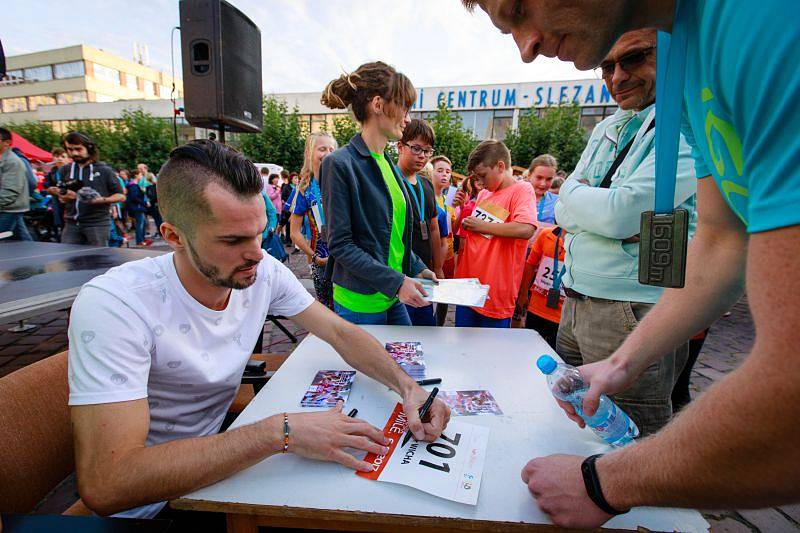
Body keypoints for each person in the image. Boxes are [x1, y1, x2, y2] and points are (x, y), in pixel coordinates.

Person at [463, 0, 800, 527]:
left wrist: (604, 484)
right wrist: (623, 363)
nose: (525, 47)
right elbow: (721, 237)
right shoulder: (693, 68)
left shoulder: (761, 22)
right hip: (584, 300)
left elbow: (789, 400)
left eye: (520, 9)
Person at [67, 139, 450, 520]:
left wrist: (408, 387)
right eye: (232, 240)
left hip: (220, 476)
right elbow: (108, 484)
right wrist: (280, 433)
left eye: (260, 232)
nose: (255, 253)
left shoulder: (260, 267)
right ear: (173, 236)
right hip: (152, 508)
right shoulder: (116, 304)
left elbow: (340, 333)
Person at [554, 30, 698, 437]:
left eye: (633, 59)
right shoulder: (609, 127)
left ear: (670, 53)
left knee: (629, 441)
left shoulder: (686, 120)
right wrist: (590, 206)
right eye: (606, 66)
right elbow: (565, 208)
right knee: (572, 427)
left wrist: (580, 199)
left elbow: (620, 214)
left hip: (630, 310)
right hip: (576, 300)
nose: (616, 77)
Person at [319, 61, 437, 326]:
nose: (407, 118)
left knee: (406, 366)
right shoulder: (339, 163)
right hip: (361, 300)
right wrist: (397, 282)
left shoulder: (388, 165)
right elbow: (341, 244)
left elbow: (393, 238)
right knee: (375, 369)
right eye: (404, 107)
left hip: (391, 294)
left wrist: (417, 267)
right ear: (378, 104)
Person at [454, 140, 536, 328]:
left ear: (500, 166)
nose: (480, 183)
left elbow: (526, 229)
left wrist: (482, 226)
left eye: (483, 175)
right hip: (469, 288)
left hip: (495, 293)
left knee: (489, 354)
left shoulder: (522, 190)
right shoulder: (484, 194)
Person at [395, 119, 442, 326]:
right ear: (399, 146)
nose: (422, 155)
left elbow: (433, 227)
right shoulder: (391, 181)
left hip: (424, 271)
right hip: (399, 274)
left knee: (425, 329)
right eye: (416, 148)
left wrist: (437, 265)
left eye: (427, 151)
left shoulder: (425, 184)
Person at [288, 132, 337, 309]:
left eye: (332, 149)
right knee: (327, 308)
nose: (328, 153)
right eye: (322, 149)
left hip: (347, 259)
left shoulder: (342, 183)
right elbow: (294, 233)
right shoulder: (304, 189)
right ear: (309, 153)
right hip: (322, 262)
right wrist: (314, 256)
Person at [56, 131, 125, 247]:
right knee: (68, 258)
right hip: (71, 223)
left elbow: (121, 195)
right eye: (70, 149)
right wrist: (63, 197)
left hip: (97, 223)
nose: (74, 153)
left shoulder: (104, 170)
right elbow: (62, 197)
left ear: (89, 148)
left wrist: (100, 200)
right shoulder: (65, 170)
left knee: (98, 259)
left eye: (78, 149)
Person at [513, 226, 565, 347]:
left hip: (562, 316)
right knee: (529, 348)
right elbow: (530, 264)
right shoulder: (546, 234)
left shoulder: (584, 244)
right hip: (536, 308)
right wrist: (523, 294)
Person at [431, 155, 457, 326]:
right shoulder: (426, 197)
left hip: (448, 255)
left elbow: (452, 230)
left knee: (446, 296)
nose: (444, 175)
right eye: (439, 170)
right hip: (432, 258)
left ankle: (439, 325)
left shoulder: (448, 201)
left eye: (448, 171)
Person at [0, 127, 32, 241]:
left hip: (9, 208)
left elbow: (10, 191)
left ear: (7, 143)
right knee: (22, 240)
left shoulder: (12, 162)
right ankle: (33, 256)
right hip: (10, 208)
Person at [526, 154, 558, 224]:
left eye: (549, 179)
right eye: (539, 178)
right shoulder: (515, 196)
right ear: (529, 175)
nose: (543, 184)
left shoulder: (557, 202)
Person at [125, 169, 149, 246]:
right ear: (136, 175)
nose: (141, 176)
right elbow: (134, 197)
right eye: (140, 174)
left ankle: (142, 239)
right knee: (140, 224)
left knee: (143, 223)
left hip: (138, 207)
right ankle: (140, 241)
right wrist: (144, 203)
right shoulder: (133, 186)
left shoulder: (133, 185)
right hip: (137, 207)